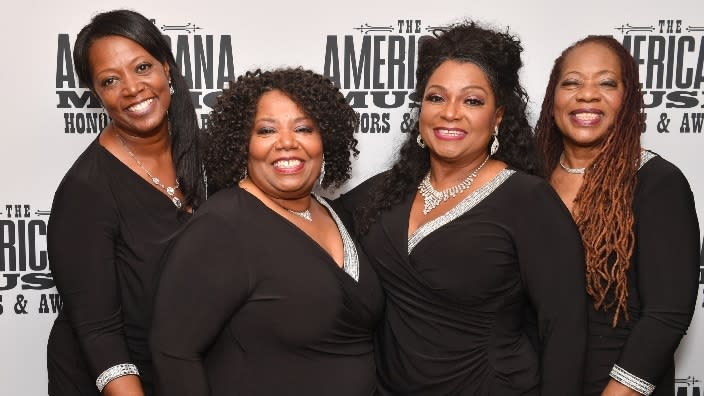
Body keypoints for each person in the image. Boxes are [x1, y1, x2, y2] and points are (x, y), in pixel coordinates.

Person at [340, 21, 587, 395]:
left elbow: (565, 329)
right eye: (436, 97)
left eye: (472, 100)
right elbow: (304, 220)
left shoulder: (528, 200)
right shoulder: (385, 192)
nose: (450, 113)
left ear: (499, 115)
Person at [150, 68, 383, 396]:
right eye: (266, 130)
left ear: (325, 140)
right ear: (243, 143)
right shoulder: (223, 225)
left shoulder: (331, 212)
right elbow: (173, 352)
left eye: (303, 128)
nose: (287, 143)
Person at [47, 9, 205, 396]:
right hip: (119, 379)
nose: (132, 88)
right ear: (96, 94)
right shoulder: (86, 191)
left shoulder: (205, 153)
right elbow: (99, 332)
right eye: (111, 80)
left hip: (178, 368)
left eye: (142, 67)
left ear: (166, 67)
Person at [535, 35, 700, 396]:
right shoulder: (528, 180)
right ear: (552, 101)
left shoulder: (658, 183)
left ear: (628, 101)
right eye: (572, 82)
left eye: (607, 83)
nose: (587, 94)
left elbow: (666, 317)